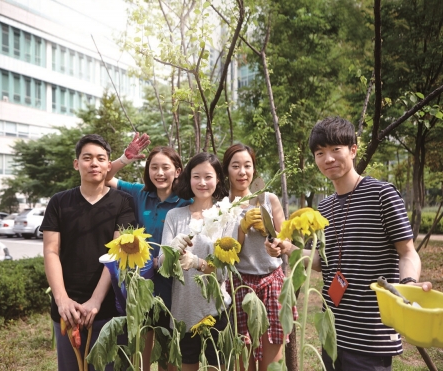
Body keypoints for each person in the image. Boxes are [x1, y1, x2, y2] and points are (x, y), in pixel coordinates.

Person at [266, 117, 432, 371]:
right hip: (333, 330)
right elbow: (324, 262)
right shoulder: (325, 207)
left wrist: (408, 285)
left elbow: (408, 253)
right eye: (320, 153)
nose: (328, 158)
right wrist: (287, 247)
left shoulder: (382, 195)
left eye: (336, 150)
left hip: (371, 334)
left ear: (353, 150)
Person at [42, 134, 137, 371]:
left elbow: (118, 253)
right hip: (67, 309)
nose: (93, 163)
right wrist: (62, 299)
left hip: (109, 308)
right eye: (87, 158)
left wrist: (95, 301)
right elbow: (51, 251)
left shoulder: (124, 203)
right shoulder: (59, 202)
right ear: (77, 164)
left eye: (100, 158)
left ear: (108, 165)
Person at [106, 135, 192, 371]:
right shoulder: (138, 193)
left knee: (167, 346)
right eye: (154, 167)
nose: (159, 173)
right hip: (141, 280)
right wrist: (125, 158)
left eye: (166, 167)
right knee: (143, 342)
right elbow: (104, 177)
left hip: (173, 282)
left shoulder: (187, 200)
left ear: (178, 171)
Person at [159, 152, 231, 371]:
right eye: (196, 176)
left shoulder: (226, 214)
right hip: (183, 311)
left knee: (216, 366)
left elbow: (225, 271)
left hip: (217, 310)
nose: (202, 182)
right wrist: (171, 251)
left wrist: (197, 262)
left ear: (218, 178)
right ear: (188, 179)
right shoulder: (174, 215)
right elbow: (164, 267)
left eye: (208, 176)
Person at [222, 143, 288, 371]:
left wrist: (272, 238)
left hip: (272, 282)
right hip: (239, 285)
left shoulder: (268, 199)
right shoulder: (223, 207)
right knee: (243, 361)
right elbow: (226, 256)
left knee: (273, 361)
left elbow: (286, 241)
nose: (242, 172)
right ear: (227, 170)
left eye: (247, 166)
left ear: (254, 169)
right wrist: (241, 227)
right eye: (236, 166)